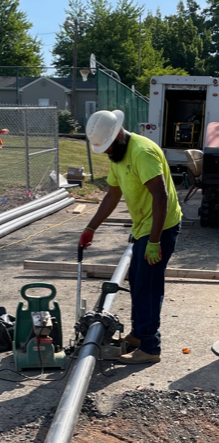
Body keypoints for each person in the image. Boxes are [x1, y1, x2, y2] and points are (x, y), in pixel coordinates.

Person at [79, 109, 182, 364]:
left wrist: (155, 241)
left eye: (109, 148)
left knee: (147, 286)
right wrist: (91, 227)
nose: (108, 153)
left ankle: (149, 347)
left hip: (161, 226)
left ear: (119, 136)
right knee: (138, 282)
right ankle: (139, 334)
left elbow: (161, 196)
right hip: (143, 226)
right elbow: (112, 195)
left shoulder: (141, 152)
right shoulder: (118, 155)